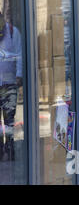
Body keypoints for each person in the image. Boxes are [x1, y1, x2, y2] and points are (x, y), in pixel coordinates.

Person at [0, 12, 22, 161]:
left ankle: (10, 146)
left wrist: (19, 75)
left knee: (9, 118)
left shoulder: (14, 32)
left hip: (9, 85)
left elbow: (20, 54)